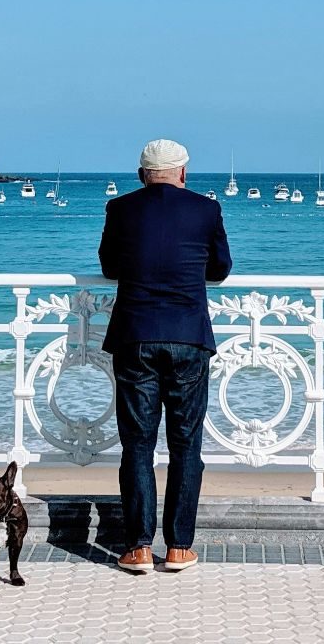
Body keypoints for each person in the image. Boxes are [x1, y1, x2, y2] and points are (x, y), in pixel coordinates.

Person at [98, 138, 232, 574]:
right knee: (186, 443)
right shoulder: (206, 210)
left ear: (142, 175)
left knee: (138, 444)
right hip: (188, 337)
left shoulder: (120, 209)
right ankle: (178, 547)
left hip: (135, 336)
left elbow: (109, 267)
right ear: (183, 173)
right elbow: (221, 268)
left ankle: (138, 548)